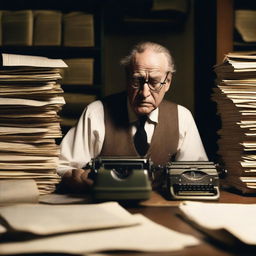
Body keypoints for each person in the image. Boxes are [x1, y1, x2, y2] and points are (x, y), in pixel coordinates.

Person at [58, 41, 208, 192]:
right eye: (137, 81)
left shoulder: (182, 117)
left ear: (167, 82)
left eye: (154, 82)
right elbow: (62, 166)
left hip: (161, 207)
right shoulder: (96, 113)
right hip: (108, 206)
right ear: (127, 77)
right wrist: (74, 178)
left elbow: (198, 174)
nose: (144, 93)